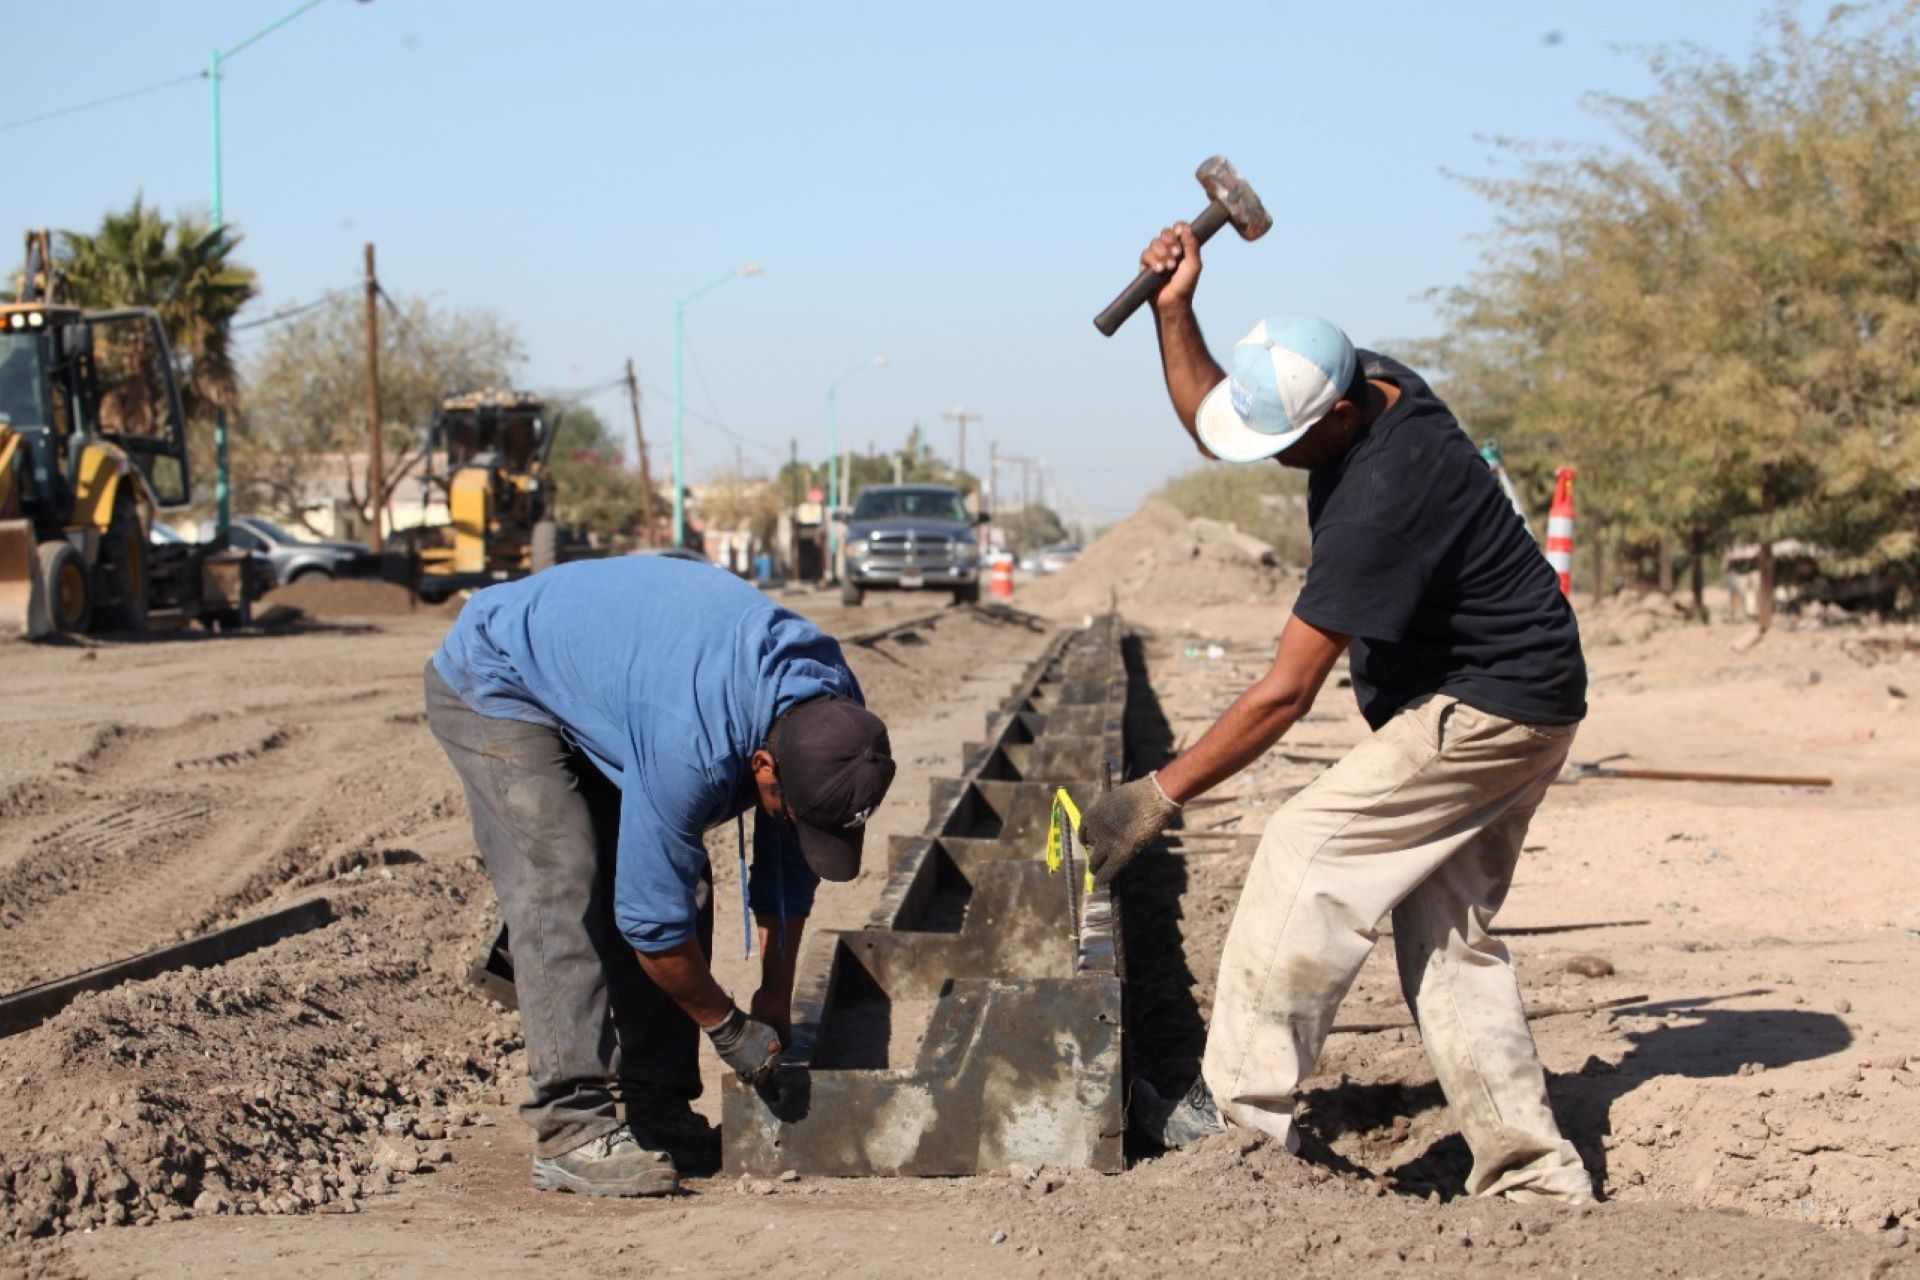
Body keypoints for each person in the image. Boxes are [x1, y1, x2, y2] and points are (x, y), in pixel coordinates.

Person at [1081, 222, 1593, 1204]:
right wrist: (1176, 307)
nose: (1266, 457)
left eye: (1287, 444)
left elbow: (1283, 693)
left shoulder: (1383, 499)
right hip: (1524, 688)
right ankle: (1533, 1172)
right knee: (1448, 931)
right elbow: (1214, 418)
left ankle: (1229, 1116)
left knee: (1306, 848)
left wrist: (1155, 793)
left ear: (1342, 417)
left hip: (1484, 707)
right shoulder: (1360, 378)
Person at [426, 555, 896, 1197]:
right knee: (563, 878)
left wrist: (775, 995)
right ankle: (572, 1129)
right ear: (763, 764)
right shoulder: (691, 746)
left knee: (681, 878)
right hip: (500, 678)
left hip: (621, 681)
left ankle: (658, 1108)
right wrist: (728, 1027)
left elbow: (787, 863)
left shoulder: (834, 714)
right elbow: (652, 926)